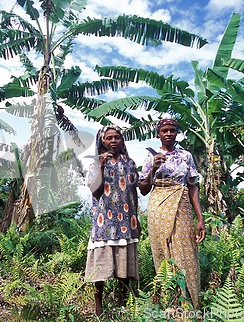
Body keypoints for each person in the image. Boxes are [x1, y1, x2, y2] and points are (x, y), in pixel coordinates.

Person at [138, 118, 206, 310]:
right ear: (158, 133)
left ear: (177, 133)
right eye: (164, 131)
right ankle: (171, 305)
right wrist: (153, 168)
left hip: (182, 206)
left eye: (172, 130)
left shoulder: (186, 156)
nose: (168, 133)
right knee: (162, 254)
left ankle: (192, 305)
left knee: (187, 254)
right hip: (159, 209)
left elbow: (192, 187)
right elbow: (143, 189)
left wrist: (200, 218)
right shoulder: (151, 157)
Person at [84, 125, 140, 316]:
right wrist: (100, 165)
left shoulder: (130, 163)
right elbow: (95, 192)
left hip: (125, 221)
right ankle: (98, 306)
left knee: (124, 265)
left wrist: (136, 218)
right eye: (109, 138)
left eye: (117, 137)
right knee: (99, 266)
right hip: (103, 223)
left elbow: (133, 191)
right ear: (102, 141)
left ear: (122, 141)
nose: (113, 141)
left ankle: (122, 303)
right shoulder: (95, 164)